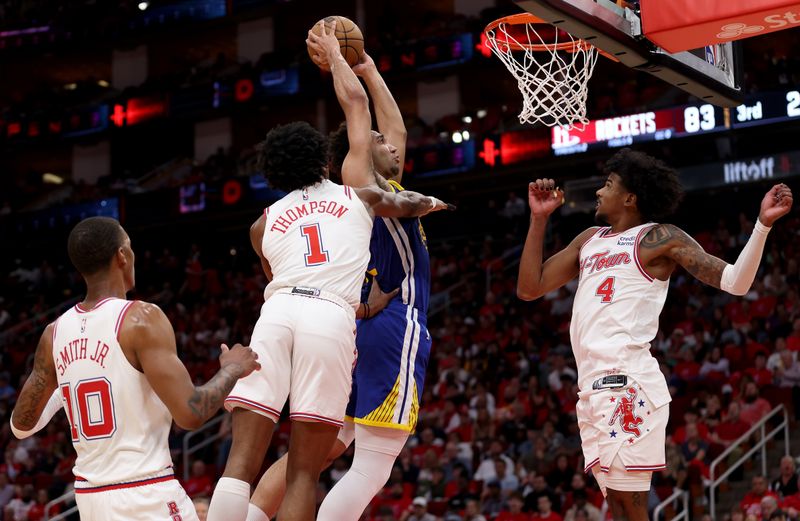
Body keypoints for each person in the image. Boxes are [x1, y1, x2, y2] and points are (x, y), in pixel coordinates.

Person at [206, 22, 450, 521]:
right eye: (377, 141)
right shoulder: (359, 189)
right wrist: (340, 60)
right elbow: (362, 115)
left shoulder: (262, 222)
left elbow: (392, 131)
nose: (392, 143)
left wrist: (367, 66)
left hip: (287, 313)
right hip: (364, 323)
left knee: (257, 457)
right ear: (333, 160)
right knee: (337, 466)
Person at [517, 148, 793, 521]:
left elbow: (735, 282)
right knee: (617, 509)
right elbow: (529, 288)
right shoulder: (589, 239)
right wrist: (538, 220)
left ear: (630, 198)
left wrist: (762, 224)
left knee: (630, 511)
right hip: (590, 390)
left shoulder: (658, 238)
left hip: (627, 384)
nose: (598, 192)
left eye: (608, 184)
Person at [9, 216, 260, 521]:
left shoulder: (53, 333)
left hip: (91, 501)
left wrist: (65, 390)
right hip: (146, 493)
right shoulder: (141, 317)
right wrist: (231, 370)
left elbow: (21, 426)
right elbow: (191, 413)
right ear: (122, 255)